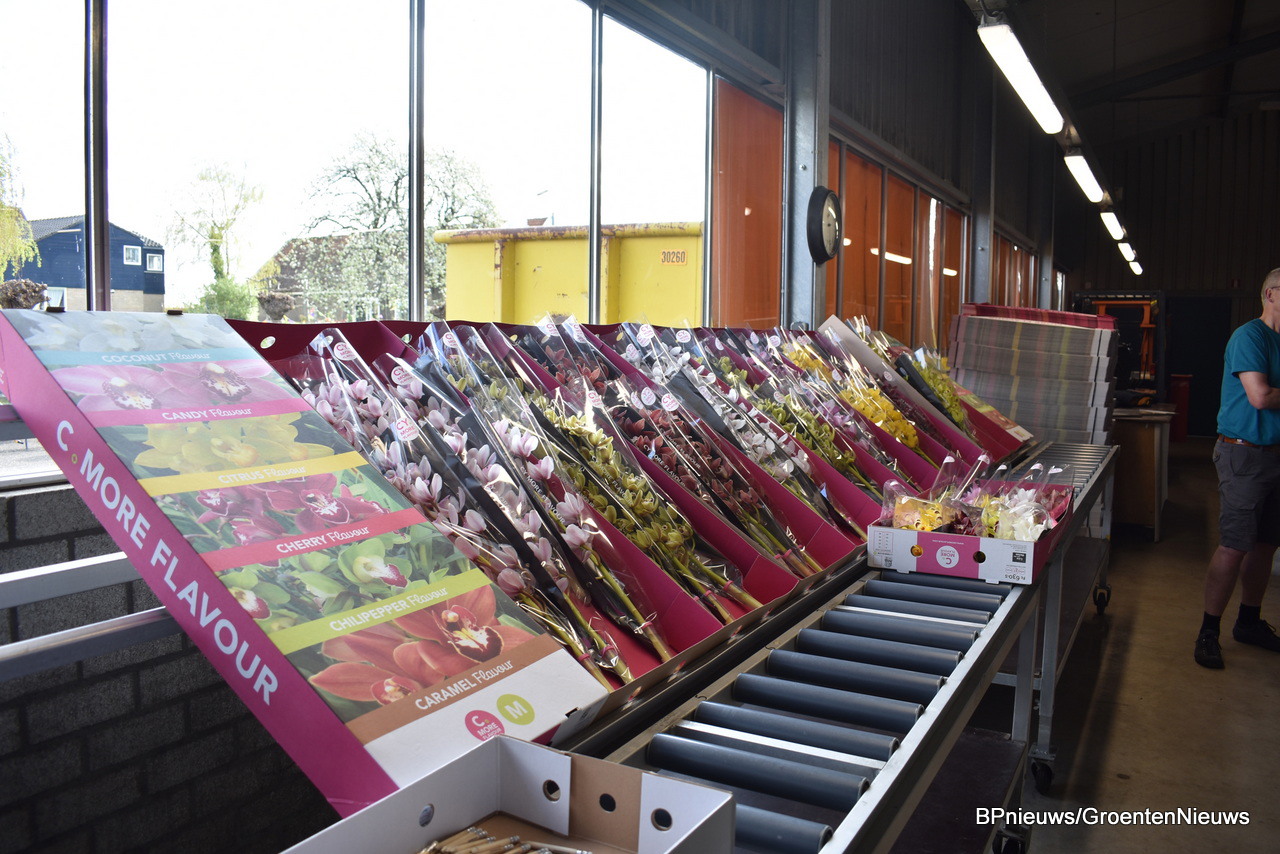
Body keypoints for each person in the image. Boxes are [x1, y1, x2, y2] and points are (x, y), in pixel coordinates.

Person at [1196, 267, 1280, 668]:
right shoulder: (1250, 337)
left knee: (1266, 544)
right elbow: (1259, 396)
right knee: (1235, 545)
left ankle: (1248, 621)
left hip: (1276, 454)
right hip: (1245, 455)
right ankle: (1208, 631)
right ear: (1271, 294)